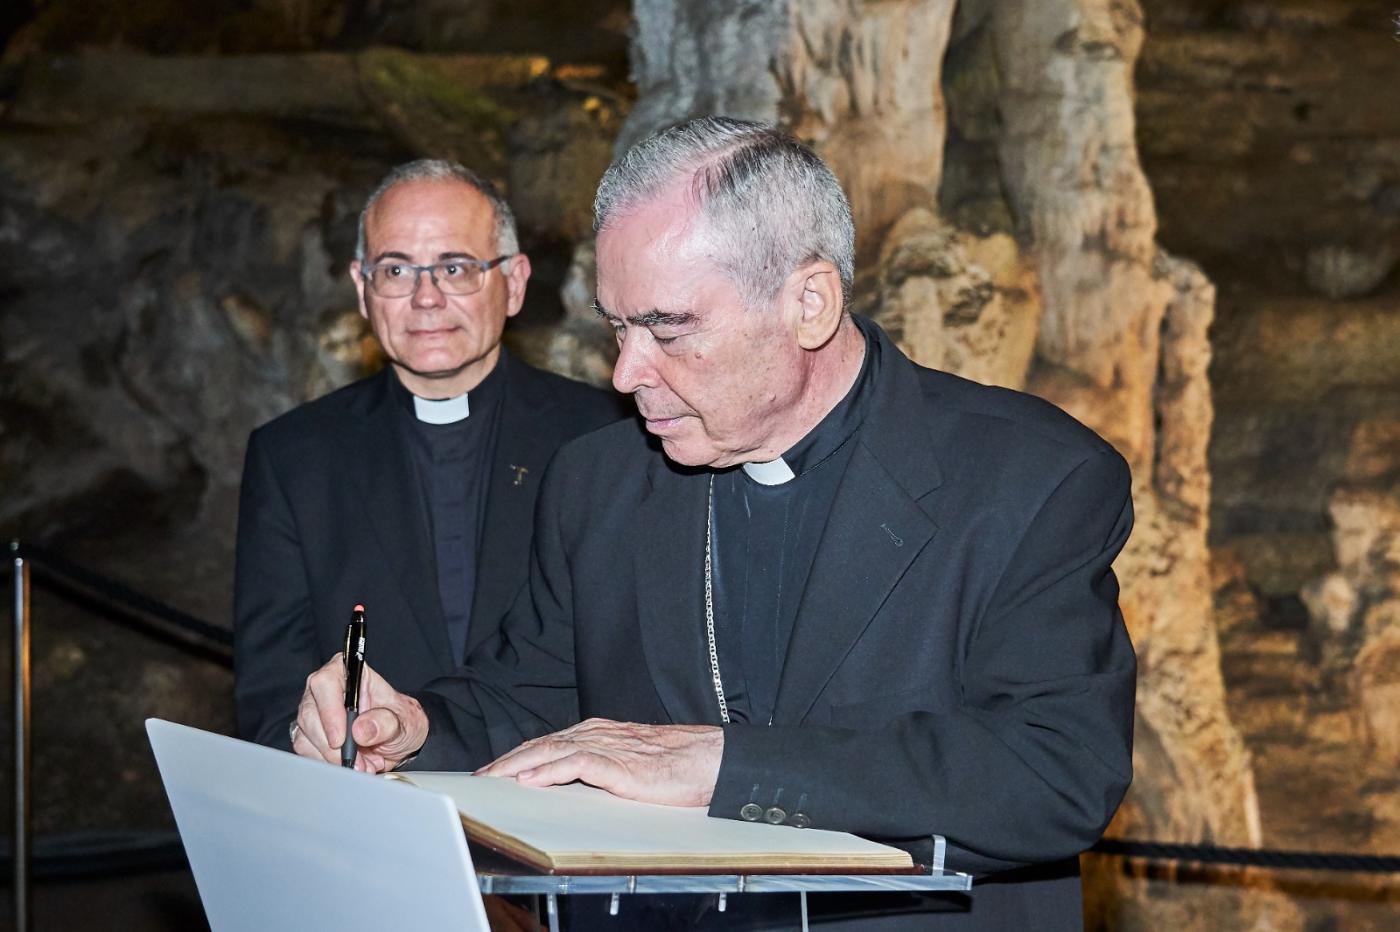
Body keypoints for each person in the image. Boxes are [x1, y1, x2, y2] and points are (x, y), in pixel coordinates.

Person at [293, 119, 1136, 929]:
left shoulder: (1030, 479)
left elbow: (1055, 772)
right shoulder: (601, 482)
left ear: (808, 303)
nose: (627, 373)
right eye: (619, 328)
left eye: (669, 328)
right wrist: (410, 729)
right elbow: (528, 699)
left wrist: (721, 767)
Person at [234, 159, 623, 751]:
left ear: (514, 283)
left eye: (455, 267)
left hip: (566, 806)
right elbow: (269, 698)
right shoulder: (293, 458)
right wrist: (305, 738)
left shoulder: (605, 439)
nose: (426, 298)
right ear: (363, 288)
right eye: (396, 269)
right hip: (373, 812)